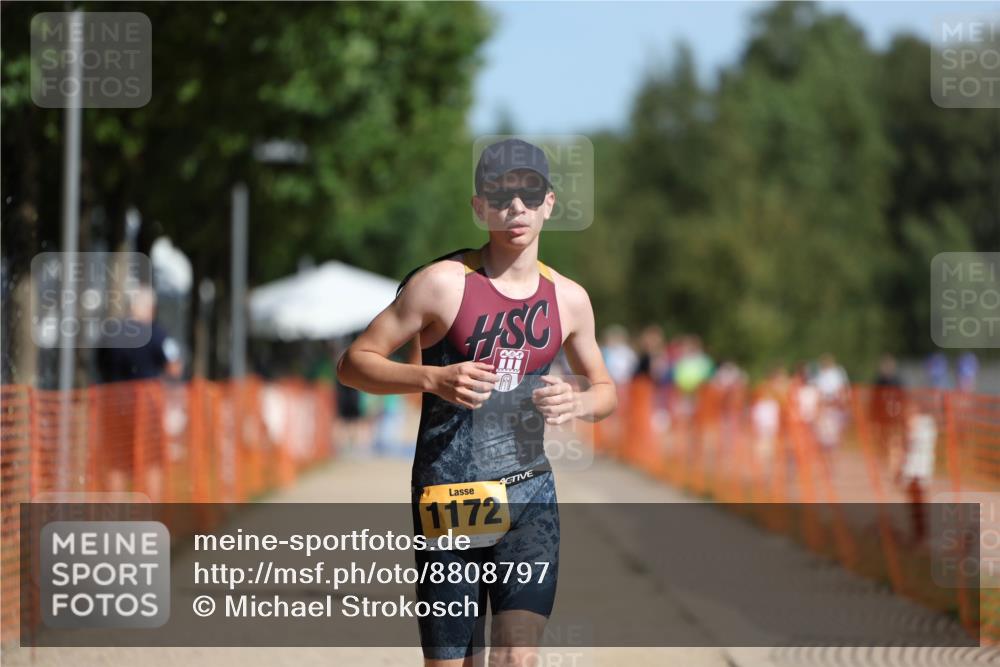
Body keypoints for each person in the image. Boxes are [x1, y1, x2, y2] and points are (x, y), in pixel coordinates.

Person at [338, 138, 616, 667]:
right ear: (479, 206)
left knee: (519, 657)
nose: (516, 209)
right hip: (451, 498)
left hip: (530, 497)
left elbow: (606, 391)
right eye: (500, 195)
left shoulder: (569, 298)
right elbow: (354, 363)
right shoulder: (441, 284)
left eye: (529, 194)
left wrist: (577, 401)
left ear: (549, 203)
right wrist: (431, 378)